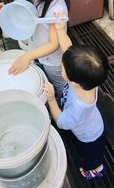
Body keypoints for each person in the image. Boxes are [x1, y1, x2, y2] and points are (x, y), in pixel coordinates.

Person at [44, 13, 109, 180]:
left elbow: (63, 122)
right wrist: (60, 30)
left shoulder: (79, 107)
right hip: (94, 124)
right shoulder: (88, 81)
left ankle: (95, 169)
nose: (61, 67)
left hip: (88, 137)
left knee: (91, 157)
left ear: (74, 80)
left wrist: (51, 100)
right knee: (95, 149)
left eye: (63, 68)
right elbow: (68, 49)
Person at [8, 0, 70, 99]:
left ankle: (59, 108)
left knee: (58, 90)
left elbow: (54, 43)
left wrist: (27, 56)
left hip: (53, 62)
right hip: (41, 54)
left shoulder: (57, 9)